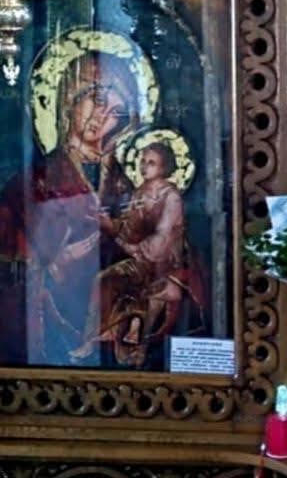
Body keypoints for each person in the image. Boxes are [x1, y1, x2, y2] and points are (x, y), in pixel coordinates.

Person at [0, 50, 139, 365]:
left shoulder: (126, 186)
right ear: (69, 98)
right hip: (46, 344)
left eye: (117, 112)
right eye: (97, 99)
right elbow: (12, 274)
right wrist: (55, 266)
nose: (103, 116)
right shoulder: (29, 185)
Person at [70, 140, 201, 367]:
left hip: (166, 265)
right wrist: (108, 224)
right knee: (102, 280)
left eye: (151, 163)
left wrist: (130, 246)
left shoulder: (171, 197)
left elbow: (163, 236)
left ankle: (139, 345)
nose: (144, 166)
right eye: (142, 161)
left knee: (146, 292)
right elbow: (127, 229)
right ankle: (90, 341)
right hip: (140, 261)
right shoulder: (140, 192)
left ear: (165, 166)